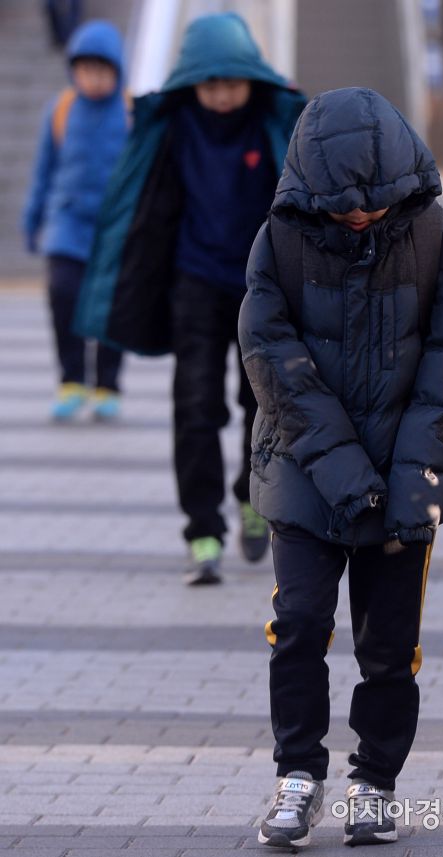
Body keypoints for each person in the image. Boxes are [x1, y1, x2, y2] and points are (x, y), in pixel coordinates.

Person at [238, 87, 443, 848]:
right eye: (343, 204)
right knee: (300, 623)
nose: (359, 215)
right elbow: (273, 363)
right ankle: (298, 775)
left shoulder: (437, 236)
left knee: (390, 642)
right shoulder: (278, 241)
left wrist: (416, 475)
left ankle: (375, 781)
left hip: (403, 472)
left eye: (372, 203)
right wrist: (347, 471)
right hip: (307, 470)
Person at [74, 13, 306, 585]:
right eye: (210, 84)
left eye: (232, 82)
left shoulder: (276, 122)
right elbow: (135, 202)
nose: (222, 95)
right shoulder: (171, 124)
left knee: (264, 407)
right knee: (196, 405)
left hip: (263, 287)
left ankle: (254, 499)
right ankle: (202, 528)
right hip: (193, 282)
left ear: (251, 78)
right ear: (191, 83)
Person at [22, 19, 129, 422]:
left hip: (113, 230)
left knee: (111, 309)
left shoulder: (131, 111)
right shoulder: (62, 109)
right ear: (74, 70)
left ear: (117, 70)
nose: (94, 79)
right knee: (62, 293)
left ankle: (107, 383)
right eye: (85, 70)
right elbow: (43, 171)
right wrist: (34, 220)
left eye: (102, 70)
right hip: (66, 225)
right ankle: (71, 378)